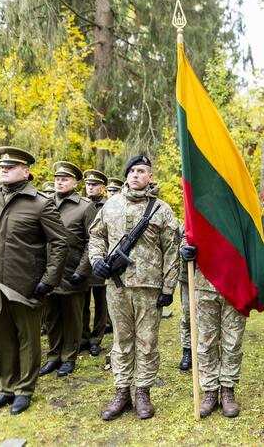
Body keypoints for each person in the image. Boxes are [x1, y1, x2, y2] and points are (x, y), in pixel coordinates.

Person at [0, 146, 69, 415]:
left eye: (10, 167)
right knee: (2, 340)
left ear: (26, 171)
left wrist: (49, 279)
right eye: (1, 167)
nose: (4, 170)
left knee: (28, 339)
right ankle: (5, 388)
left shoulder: (40, 202)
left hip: (26, 284)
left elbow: (60, 243)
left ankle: (24, 390)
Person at [89, 155, 179, 421]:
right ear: (127, 175)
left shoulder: (161, 209)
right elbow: (96, 236)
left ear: (150, 176)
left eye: (142, 171)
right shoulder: (110, 205)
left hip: (149, 287)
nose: (136, 175)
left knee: (147, 343)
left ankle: (143, 392)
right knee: (121, 341)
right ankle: (121, 392)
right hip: (117, 286)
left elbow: (171, 250)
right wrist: (96, 260)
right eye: (132, 171)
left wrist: (168, 287)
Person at [40, 162, 96, 378]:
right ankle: (53, 356)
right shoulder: (45, 203)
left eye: (64, 179)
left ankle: (68, 357)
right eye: (57, 178)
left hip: (72, 270)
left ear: (75, 183)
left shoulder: (85, 206)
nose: (59, 182)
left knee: (73, 318)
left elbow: (93, 241)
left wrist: (82, 270)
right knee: (51, 317)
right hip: (49, 271)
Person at [180, 237, 246, 418]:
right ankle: (210, 390)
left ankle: (227, 389)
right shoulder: (200, 209)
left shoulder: (240, 210)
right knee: (206, 341)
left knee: (232, 341)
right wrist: (185, 250)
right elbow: (188, 233)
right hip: (205, 282)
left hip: (235, 283)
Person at [81, 169, 109, 357]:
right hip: (81, 261)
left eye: (94, 185)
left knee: (101, 302)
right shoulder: (80, 204)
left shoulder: (108, 205)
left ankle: (96, 339)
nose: (90, 187)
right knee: (81, 302)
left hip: (101, 259)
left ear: (102, 187)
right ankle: (82, 336)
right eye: (88, 184)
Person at [176, 225, 191, 372]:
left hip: (210, 278)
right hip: (188, 277)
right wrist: (183, 249)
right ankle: (187, 350)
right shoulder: (187, 223)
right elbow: (178, 242)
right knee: (187, 315)